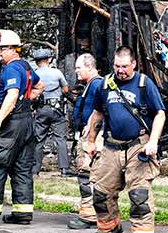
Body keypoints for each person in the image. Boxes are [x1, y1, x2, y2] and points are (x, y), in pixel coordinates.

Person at [86, 46, 166, 233]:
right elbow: (97, 114)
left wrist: (153, 141)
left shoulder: (144, 84)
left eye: (124, 66)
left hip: (138, 147)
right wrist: (91, 141)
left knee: (139, 198)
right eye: (116, 66)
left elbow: (160, 114)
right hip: (110, 147)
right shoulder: (104, 84)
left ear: (133, 64)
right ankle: (109, 229)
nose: (120, 70)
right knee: (100, 196)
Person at [0, 29, 44, 226]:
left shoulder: (10, 69)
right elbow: (39, 85)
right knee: (22, 168)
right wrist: (27, 102)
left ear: (15, 50)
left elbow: (12, 94)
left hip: (9, 125)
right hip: (25, 123)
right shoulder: (25, 66)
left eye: (2, 48)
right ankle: (23, 214)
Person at [67, 53, 105, 230]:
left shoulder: (97, 84)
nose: (76, 71)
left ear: (89, 67)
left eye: (78, 68)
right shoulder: (91, 84)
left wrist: (90, 127)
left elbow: (100, 109)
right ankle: (90, 210)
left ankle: (90, 214)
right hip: (87, 135)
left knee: (86, 173)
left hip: (92, 137)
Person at [31, 48, 71, 177]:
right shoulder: (57, 73)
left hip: (41, 109)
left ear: (37, 62)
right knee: (60, 139)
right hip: (57, 109)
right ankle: (64, 169)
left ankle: (35, 169)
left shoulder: (34, 74)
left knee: (39, 139)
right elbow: (65, 90)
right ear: (49, 60)